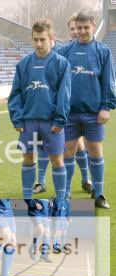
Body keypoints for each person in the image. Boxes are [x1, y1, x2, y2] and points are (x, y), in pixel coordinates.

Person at [8, 19, 71, 211]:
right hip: (28, 122)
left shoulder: (61, 63)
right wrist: (17, 118)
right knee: (28, 158)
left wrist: (60, 119)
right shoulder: (24, 64)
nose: (38, 44)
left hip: (51, 122)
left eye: (42, 39)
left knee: (57, 160)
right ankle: (28, 199)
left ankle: (61, 201)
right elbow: (16, 93)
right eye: (35, 39)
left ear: (52, 39)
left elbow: (64, 94)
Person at [57, 13, 116, 208]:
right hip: (70, 114)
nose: (82, 31)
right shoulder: (65, 51)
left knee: (95, 152)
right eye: (78, 27)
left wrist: (106, 107)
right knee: (67, 153)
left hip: (93, 114)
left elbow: (108, 81)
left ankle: (98, 195)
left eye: (86, 27)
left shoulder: (103, 51)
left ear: (93, 26)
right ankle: (64, 196)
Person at [34, 14, 92, 195]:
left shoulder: (87, 49)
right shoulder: (61, 51)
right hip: (57, 105)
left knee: (79, 145)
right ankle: (41, 181)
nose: (76, 32)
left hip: (76, 105)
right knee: (45, 141)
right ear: (69, 30)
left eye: (78, 28)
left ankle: (86, 179)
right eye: (72, 29)